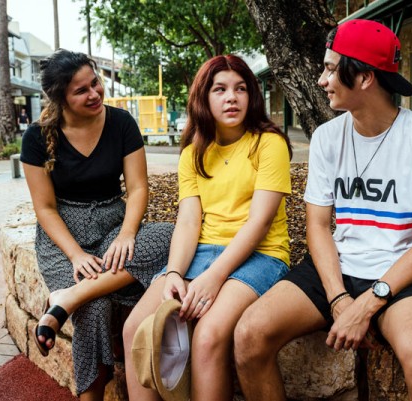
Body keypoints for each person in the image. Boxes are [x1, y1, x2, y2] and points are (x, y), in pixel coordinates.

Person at [234, 19, 412, 401]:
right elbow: (319, 228)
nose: (322, 80)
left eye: (329, 68)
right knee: (249, 336)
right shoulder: (326, 137)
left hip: (399, 275)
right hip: (337, 269)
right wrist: (340, 299)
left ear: (365, 78)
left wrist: (369, 303)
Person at [122, 54, 293, 401]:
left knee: (208, 335)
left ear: (252, 96)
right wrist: (173, 273)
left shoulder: (269, 143)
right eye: (220, 89)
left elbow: (260, 223)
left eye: (240, 89)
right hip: (202, 253)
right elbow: (188, 221)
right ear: (204, 97)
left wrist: (214, 277)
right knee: (134, 329)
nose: (231, 97)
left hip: (260, 255)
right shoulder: (192, 153)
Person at [19, 49, 174, 400]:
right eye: (81, 91)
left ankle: (65, 300)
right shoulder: (37, 137)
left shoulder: (121, 123)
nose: (95, 94)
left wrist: (128, 233)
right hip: (63, 238)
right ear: (61, 99)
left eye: (96, 83)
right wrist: (75, 256)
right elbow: (44, 208)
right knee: (96, 307)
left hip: (112, 227)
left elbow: (137, 188)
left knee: (172, 235)